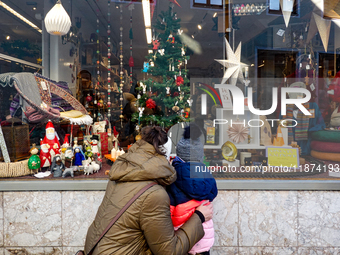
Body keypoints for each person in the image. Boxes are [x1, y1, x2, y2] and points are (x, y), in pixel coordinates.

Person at [84, 126, 213, 255]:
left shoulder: (122, 174)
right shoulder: (154, 194)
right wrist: (199, 217)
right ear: (166, 156)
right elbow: (168, 251)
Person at [167, 124, 218, 255]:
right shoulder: (206, 175)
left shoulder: (173, 177)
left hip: (184, 239)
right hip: (204, 239)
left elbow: (170, 215)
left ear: (179, 155)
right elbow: (213, 193)